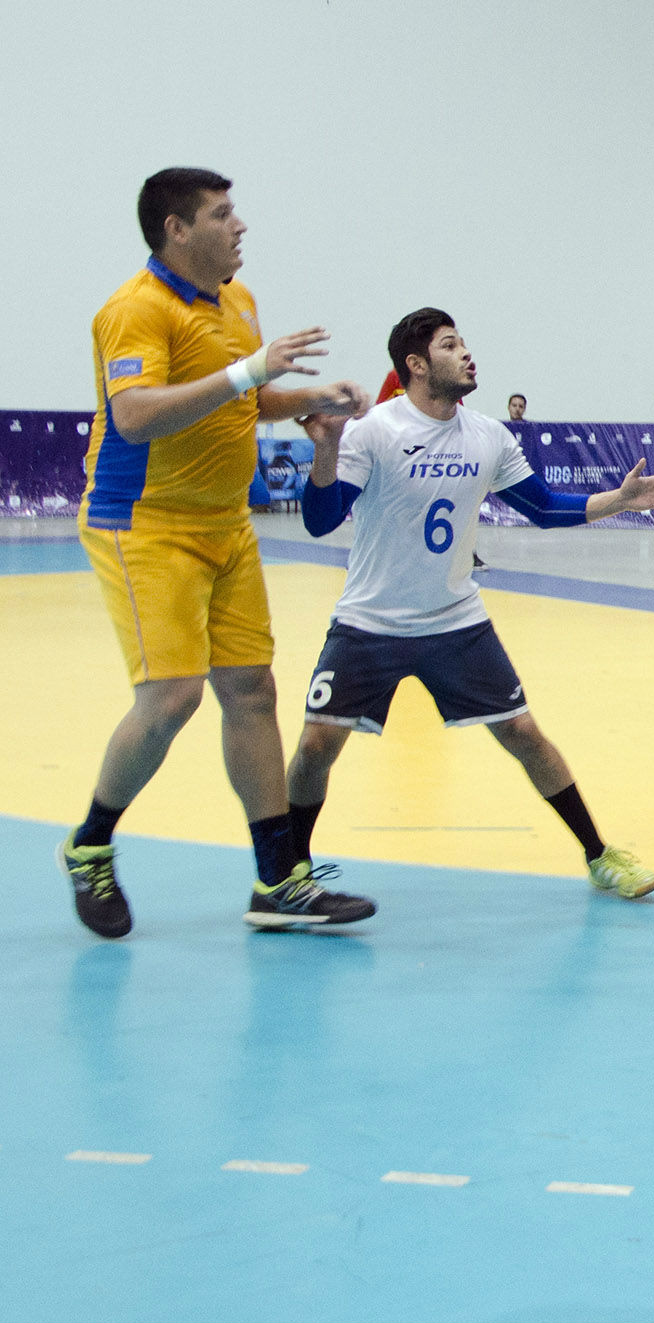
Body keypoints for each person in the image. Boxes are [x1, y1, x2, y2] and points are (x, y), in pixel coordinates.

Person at [60, 167, 377, 937]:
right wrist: (252, 369)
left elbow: (242, 397)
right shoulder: (134, 310)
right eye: (223, 214)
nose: (240, 227)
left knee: (252, 690)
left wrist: (310, 398)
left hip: (224, 523)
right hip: (144, 524)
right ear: (177, 228)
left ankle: (279, 881)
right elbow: (134, 416)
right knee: (172, 698)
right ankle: (91, 844)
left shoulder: (237, 301)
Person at [288, 308, 654, 900]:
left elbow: (543, 507)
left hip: (454, 620)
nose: (467, 354)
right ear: (417, 366)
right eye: (451, 345)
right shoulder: (373, 431)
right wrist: (328, 447)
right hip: (371, 620)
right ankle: (290, 871)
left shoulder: (488, 435)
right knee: (316, 745)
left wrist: (619, 501)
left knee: (523, 733)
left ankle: (600, 855)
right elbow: (319, 521)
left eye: (464, 342)